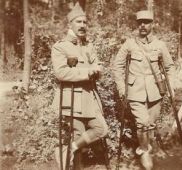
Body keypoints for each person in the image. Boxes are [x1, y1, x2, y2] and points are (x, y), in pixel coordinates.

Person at [112, 10, 175, 170]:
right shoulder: (129, 44)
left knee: (151, 124)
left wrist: (171, 87)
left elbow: (169, 67)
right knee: (142, 123)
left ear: (152, 24)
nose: (142, 25)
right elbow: (117, 66)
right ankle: (145, 152)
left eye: (146, 22)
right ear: (136, 24)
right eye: (140, 22)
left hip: (156, 91)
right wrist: (121, 88)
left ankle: (149, 146)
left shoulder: (160, 45)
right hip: (134, 91)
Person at [51, 3, 108, 169]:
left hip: (90, 98)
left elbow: (97, 66)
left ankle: (67, 150)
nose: (83, 25)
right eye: (78, 22)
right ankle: (75, 165)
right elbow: (61, 73)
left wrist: (98, 71)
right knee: (78, 135)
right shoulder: (60, 46)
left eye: (85, 22)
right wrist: (88, 72)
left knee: (101, 129)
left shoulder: (89, 45)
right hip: (72, 99)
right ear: (70, 24)